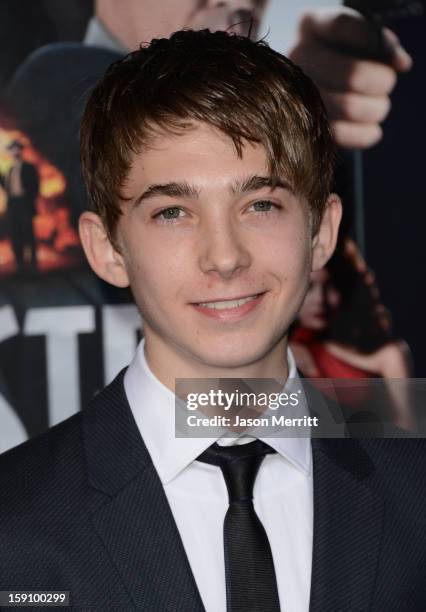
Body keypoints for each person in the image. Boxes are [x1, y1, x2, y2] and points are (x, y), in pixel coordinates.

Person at [0, 30, 425, 611]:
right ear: (107, 250)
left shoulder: (416, 493)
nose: (224, 257)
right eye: (173, 212)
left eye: (260, 205)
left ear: (321, 232)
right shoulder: (13, 522)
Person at [0, 139, 39, 271]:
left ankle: (33, 263)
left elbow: (35, 186)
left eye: (17, 148)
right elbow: (6, 187)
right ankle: (20, 264)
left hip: (24, 203)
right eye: (12, 149)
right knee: (15, 234)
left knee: (28, 233)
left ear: (21, 150)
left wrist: (29, 202)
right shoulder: (9, 170)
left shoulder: (29, 167)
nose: (14, 151)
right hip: (12, 204)